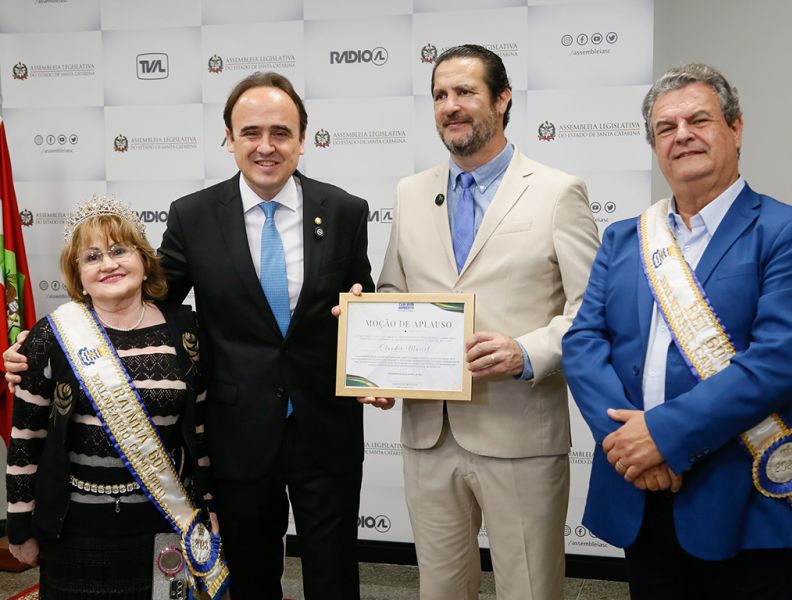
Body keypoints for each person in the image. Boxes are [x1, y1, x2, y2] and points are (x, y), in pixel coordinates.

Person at [6, 72, 372, 599]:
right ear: (228, 138)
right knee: (248, 574)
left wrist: (376, 352)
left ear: (302, 138)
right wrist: (45, 347)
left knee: (334, 571)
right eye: (250, 132)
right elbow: (142, 297)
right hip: (237, 433)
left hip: (327, 427)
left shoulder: (344, 211)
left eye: (280, 132)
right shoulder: (194, 216)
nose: (265, 146)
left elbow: (361, 298)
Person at [562, 63, 792, 599]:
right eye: (666, 128)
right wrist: (628, 446)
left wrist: (663, 438)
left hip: (741, 496)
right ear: (654, 145)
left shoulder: (787, 231)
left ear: (735, 130)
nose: (682, 135)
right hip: (639, 492)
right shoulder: (625, 238)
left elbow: (778, 360)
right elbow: (582, 345)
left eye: (699, 120)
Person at [374, 45, 599, 599]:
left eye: (466, 92)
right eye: (440, 95)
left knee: (529, 588)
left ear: (502, 100)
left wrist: (527, 353)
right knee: (440, 589)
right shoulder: (410, 192)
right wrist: (374, 357)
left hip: (519, 430)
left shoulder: (556, 192)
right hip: (429, 434)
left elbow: (593, 312)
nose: (451, 106)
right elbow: (394, 291)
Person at [5, 196, 226, 598]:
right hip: (74, 530)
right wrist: (19, 525)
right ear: (78, 273)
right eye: (92, 257)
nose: (108, 264)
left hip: (164, 524)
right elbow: (25, 440)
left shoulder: (186, 330)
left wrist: (209, 507)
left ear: (144, 261)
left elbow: (201, 431)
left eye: (119, 250)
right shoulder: (51, 335)